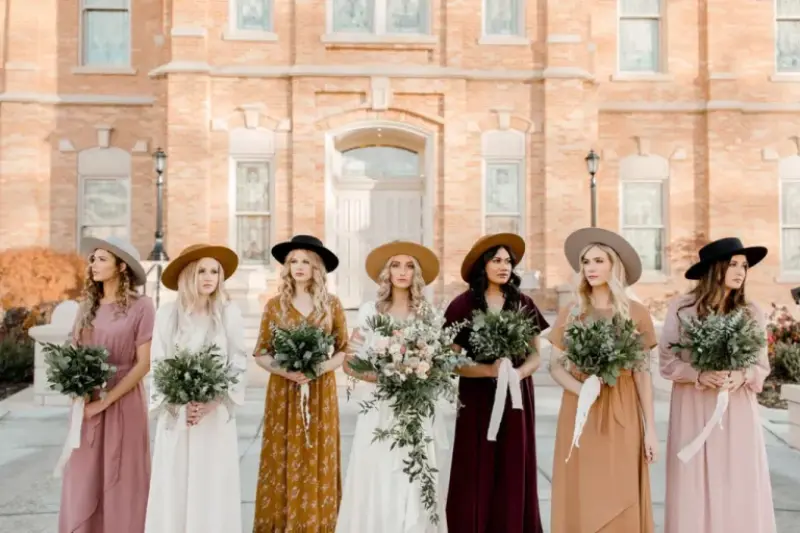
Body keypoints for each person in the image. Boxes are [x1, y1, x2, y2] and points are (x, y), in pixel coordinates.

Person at [658, 237, 776, 533]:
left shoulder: (751, 311)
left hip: (736, 409)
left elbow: (761, 364)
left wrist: (742, 375)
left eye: (744, 266)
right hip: (693, 406)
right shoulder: (683, 309)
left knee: (737, 478)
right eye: (733, 264)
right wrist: (697, 374)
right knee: (693, 481)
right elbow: (666, 361)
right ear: (715, 269)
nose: (740, 271)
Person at [547, 227, 658, 532]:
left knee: (620, 487)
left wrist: (651, 431)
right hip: (580, 409)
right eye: (586, 262)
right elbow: (556, 367)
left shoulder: (636, 313)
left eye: (598, 261)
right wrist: (583, 389)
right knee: (583, 489)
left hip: (623, 411)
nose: (591, 268)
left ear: (613, 266)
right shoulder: (572, 313)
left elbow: (642, 374)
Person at [336, 241, 448, 533]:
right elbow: (349, 363)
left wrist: (417, 374)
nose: (402, 272)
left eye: (409, 266)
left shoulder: (429, 314)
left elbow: (440, 363)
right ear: (387, 273)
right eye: (396, 265)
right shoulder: (369, 312)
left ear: (417, 273)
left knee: (414, 474)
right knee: (379, 471)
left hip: (417, 408)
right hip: (380, 408)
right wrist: (385, 378)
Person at [444, 233, 548, 533]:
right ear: (483, 265)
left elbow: (536, 356)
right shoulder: (462, 305)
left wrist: (517, 374)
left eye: (508, 261)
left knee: (513, 463)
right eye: (496, 260)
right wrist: (488, 370)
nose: (504, 266)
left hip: (516, 396)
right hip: (477, 396)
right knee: (476, 464)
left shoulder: (523, 303)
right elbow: (450, 361)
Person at [144, 244, 247, 533]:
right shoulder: (167, 315)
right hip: (177, 416)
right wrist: (179, 403)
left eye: (214, 271)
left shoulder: (229, 314)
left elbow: (238, 361)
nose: (208, 277)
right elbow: (159, 363)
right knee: (175, 482)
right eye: (202, 270)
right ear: (189, 274)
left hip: (214, 419)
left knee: (211, 484)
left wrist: (213, 402)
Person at [252, 235, 349, 533]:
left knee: (317, 456)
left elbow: (343, 349)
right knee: (282, 456)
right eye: (293, 261)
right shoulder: (274, 307)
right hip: (285, 392)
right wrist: (285, 370)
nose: (299, 266)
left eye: (306, 261)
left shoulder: (331, 305)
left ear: (317, 267)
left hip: (320, 391)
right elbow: (261, 353)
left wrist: (318, 367)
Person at [59, 236, 155, 533]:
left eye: (102, 259)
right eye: (93, 259)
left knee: (123, 475)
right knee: (84, 474)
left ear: (121, 266)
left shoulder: (143, 306)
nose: (94, 264)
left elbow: (144, 364)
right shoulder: (86, 306)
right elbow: (73, 353)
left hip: (124, 401)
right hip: (86, 403)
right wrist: (78, 392)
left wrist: (107, 399)